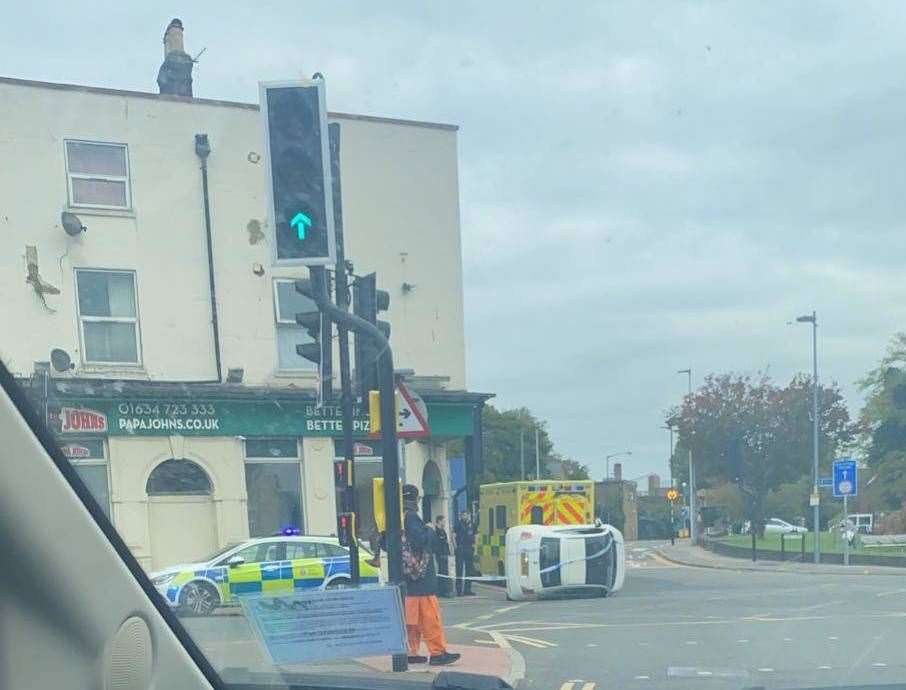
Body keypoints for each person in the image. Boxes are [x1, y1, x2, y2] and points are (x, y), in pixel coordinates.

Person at [402, 484, 460, 666]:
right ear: (414, 499)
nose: (419, 503)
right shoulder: (412, 517)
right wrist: (429, 529)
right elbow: (421, 540)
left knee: (412, 621)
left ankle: (411, 652)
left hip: (408, 578)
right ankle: (437, 652)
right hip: (422, 577)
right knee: (430, 618)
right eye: (418, 499)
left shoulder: (397, 516)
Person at [453, 511, 476, 596]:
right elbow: (453, 535)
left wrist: (475, 546)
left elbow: (475, 535)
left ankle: (468, 589)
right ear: (461, 516)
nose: (464, 516)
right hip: (461, 548)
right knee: (459, 569)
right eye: (463, 515)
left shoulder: (472, 524)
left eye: (466, 515)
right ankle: (459, 590)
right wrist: (456, 547)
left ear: (468, 515)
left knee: (469, 570)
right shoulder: (458, 524)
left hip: (469, 548)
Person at [434, 515, 452, 597]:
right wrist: (439, 554)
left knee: (445, 573)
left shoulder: (443, 531)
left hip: (445, 555)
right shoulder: (436, 532)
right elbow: (437, 544)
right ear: (439, 521)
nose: (444, 523)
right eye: (443, 521)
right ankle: (440, 591)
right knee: (441, 573)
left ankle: (444, 591)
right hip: (440, 555)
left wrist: (448, 553)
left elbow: (446, 543)